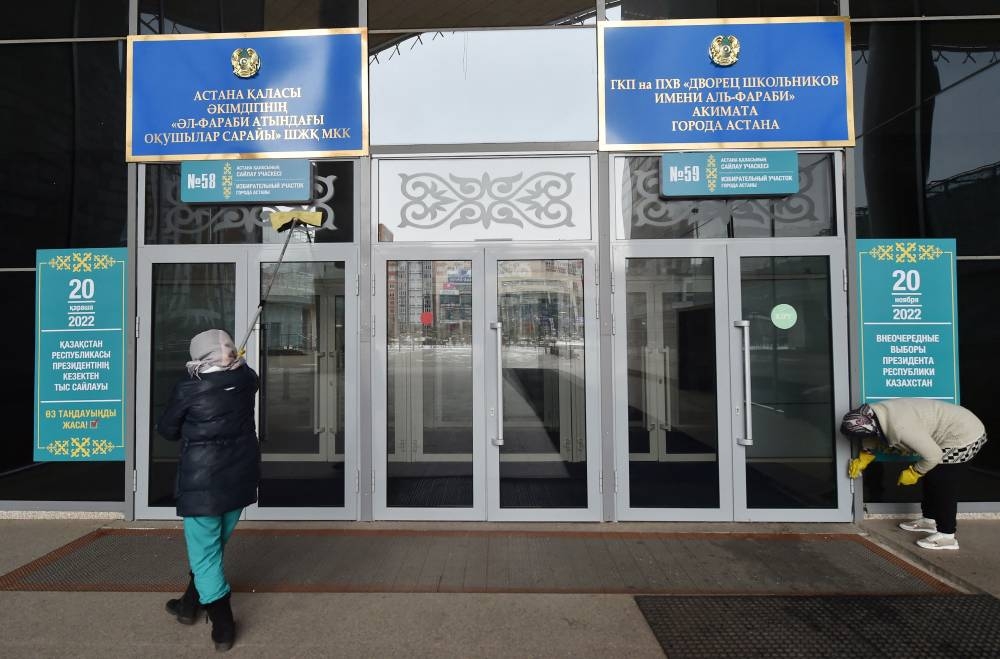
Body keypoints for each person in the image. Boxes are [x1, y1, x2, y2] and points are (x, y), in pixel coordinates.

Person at [157, 329, 260, 651]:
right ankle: (189, 604)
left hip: (202, 484)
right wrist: (235, 362)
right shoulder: (246, 381)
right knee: (211, 550)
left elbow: (167, 430)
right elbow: (245, 373)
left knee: (205, 554)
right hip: (239, 478)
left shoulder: (189, 388)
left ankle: (223, 624)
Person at [841, 398, 987, 551]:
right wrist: (865, 454)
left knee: (943, 483)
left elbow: (933, 455)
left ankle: (947, 535)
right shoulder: (870, 413)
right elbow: (871, 433)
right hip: (954, 427)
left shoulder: (902, 427)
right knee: (932, 476)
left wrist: (915, 472)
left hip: (964, 434)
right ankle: (929, 520)